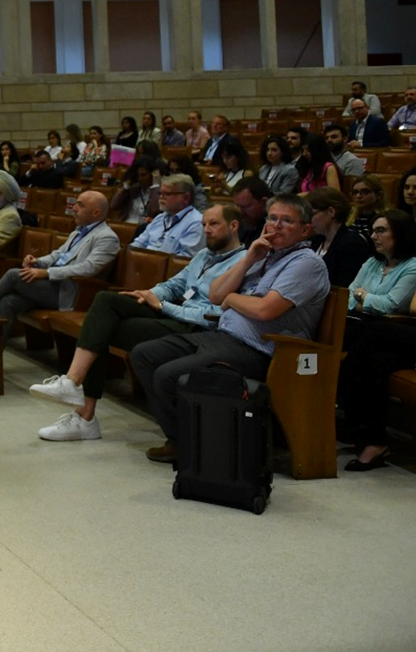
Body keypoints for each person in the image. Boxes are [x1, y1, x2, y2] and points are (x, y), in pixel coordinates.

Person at [128, 193, 331, 463]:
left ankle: (190, 446)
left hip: (261, 350)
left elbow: (265, 310)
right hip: (222, 336)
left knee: (168, 375)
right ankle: (185, 440)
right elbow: (215, 295)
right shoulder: (262, 255)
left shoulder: (306, 263)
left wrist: (232, 299)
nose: (276, 226)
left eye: (287, 221)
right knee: (144, 355)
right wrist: (249, 258)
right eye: (272, 218)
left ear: (305, 230)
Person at [28, 204, 244, 441]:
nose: (206, 230)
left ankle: (84, 414)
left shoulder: (243, 262)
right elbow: (174, 285)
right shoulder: (204, 255)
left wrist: (163, 306)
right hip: (171, 311)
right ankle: (73, 385)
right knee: (106, 301)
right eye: (204, 224)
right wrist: (148, 294)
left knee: (100, 330)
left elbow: (217, 314)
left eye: (213, 224)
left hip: (193, 326)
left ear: (233, 226)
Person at [336, 212, 416, 471]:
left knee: (372, 335)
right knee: (375, 364)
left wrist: (362, 298)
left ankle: (348, 406)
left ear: (400, 234)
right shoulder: (372, 262)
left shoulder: (415, 267)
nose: (373, 236)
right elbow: (348, 298)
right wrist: (364, 299)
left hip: (401, 338)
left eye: (381, 230)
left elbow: (391, 305)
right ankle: (375, 441)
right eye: (373, 230)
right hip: (372, 339)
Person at [0, 190, 119, 357]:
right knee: (9, 301)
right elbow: (58, 255)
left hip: (71, 293)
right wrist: (38, 262)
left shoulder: (107, 238)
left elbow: (88, 268)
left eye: (80, 205)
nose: (74, 208)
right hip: (52, 287)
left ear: (96, 212)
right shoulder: (78, 231)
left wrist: (46, 272)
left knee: (14, 275)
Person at [303, 187, 373, 288]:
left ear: (331, 211)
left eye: (312, 214)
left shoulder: (352, 244)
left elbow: (344, 286)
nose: (309, 221)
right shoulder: (315, 240)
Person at [129, 174, 206, 256]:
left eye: (167, 194)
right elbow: (138, 244)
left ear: (186, 198)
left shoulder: (196, 223)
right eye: (160, 193)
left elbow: (184, 259)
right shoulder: (159, 218)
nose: (161, 197)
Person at [109, 157, 161, 224]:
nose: (140, 178)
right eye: (137, 175)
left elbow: (155, 210)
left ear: (153, 175)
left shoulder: (160, 191)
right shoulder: (133, 189)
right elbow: (113, 205)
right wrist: (127, 185)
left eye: (143, 175)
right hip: (126, 225)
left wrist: (155, 186)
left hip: (145, 228)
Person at [230, 179, 274, 245]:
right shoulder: (244, 219)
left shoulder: (276, 227)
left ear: (264, 202)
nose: (240, 212)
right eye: (237, 206)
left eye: (246, 206)